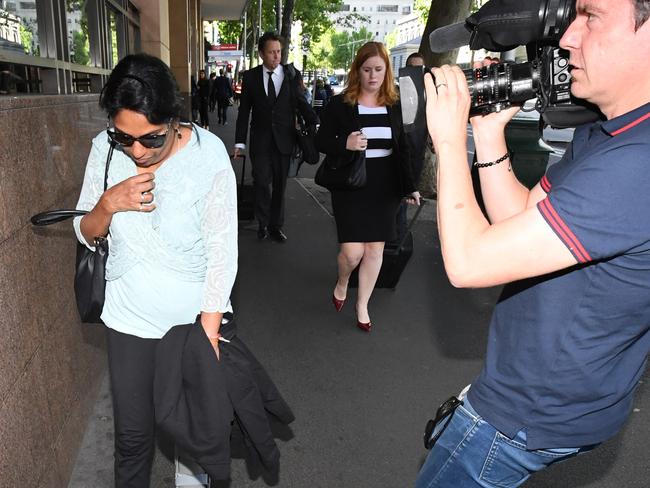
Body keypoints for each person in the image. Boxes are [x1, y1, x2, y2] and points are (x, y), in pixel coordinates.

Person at [415, 1, 650, 486]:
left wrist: (447, 142)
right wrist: (487, 132)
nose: (567, 37)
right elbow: (519, 216)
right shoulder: (610, 131)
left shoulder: (637, 163)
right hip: (546, 401)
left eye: (592, 16)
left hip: (521, 417)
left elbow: (467, 261)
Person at [73, 53, 238, 487]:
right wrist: (109, 203)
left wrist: (209, 327)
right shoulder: (102, 151)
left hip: (189, 324)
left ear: (174, 118)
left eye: (151, 138)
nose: (138, 151)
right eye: (124, 138)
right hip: (128, 321)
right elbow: (84, 232)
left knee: (193, 439)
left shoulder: (208, 154)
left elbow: (223, 248)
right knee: (131, 439)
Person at [315, 41, 420, 332]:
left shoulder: (394, 104)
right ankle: (343, 280)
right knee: (352, 253)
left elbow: (403, 148)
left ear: (386, 71)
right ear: (357, 71)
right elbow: (320, 141)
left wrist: (410, 185)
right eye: (366, 69)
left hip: (384, 183)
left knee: (375, 250)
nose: (372, 76)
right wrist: (344, 144)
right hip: (351, 182)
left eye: (378, 69)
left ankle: (362, 305)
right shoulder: (340, 104)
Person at [234, 31, 318, 243]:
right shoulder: (251, 77)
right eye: (271, 52)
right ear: (262, 54)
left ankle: (275, 226)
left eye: (278, 52)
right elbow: (244, 111)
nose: (276, 56)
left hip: (284, 140)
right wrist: (239, 142)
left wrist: (315, 120)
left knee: (280, 186)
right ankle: (262, 223)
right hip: (260, 140)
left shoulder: (291, 75)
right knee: (261, 181)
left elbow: (301, 102)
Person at [395, 51, 429, 242]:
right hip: (398, 153)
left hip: (415, 155)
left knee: (404, 201)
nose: (416, 71)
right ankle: (396, 235)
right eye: (412, 67)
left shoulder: (428, 96)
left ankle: (398, 236)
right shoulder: (395, 95)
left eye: (419, 68)